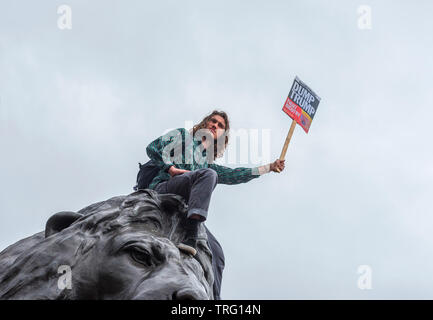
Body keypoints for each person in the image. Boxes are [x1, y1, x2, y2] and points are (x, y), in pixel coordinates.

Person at [146, 110, 285, 298]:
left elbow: (237, 174)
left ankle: (215, 298)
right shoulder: (182, 136)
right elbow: (153, 147)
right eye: (213, 121)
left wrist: (269, 167)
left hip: (184, 207)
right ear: (204, 123)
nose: (215, 126)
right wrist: (169, 168)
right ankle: (191, 232)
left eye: (221, 126)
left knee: (217, 253)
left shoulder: (208, 164)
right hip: (165, 189)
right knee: (208, 175)